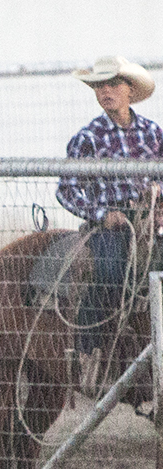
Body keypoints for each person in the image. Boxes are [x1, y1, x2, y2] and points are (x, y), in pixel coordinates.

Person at [55, 56, 162, 389]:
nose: (106, 92)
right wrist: (102, 214)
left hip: (151, 223)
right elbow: (67, 190)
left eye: (113, 84)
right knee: (109, 270)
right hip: (112, 226)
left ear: (130, 90)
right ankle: (90, 349)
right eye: (99, 86)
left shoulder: (153, 133)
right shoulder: (88, 137)